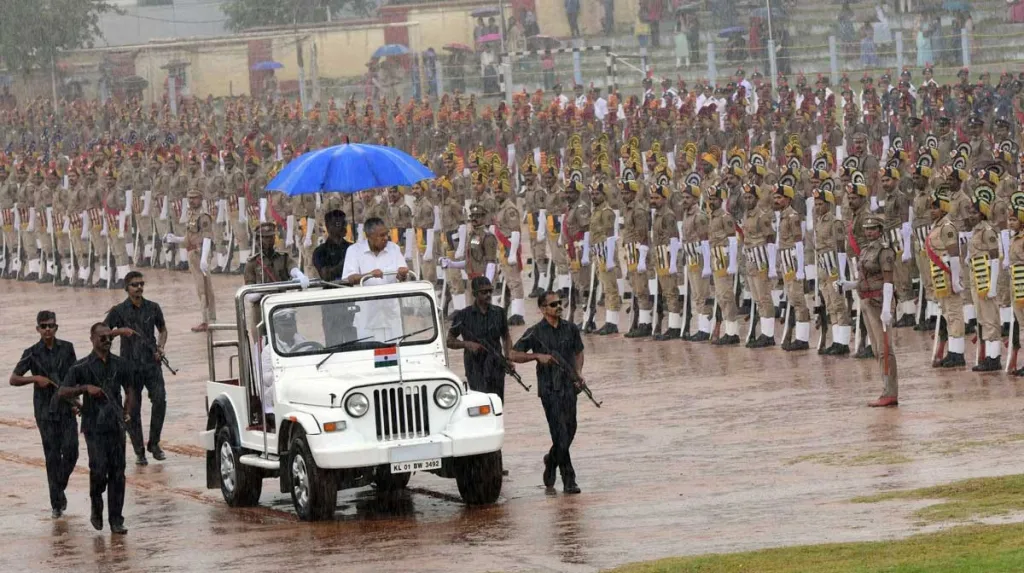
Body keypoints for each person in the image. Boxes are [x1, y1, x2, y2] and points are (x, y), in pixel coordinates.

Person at [58, 323, 135, 535]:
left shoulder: (121, 364)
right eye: (102, 338)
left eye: (110, 337)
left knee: (118, 473)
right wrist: (84, 389)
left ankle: (116, 520)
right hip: (93, 428)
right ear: (92, 339)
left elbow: (130, 388)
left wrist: (127, 410)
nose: (107, 341)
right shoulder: (81, 367)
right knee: (99, 470)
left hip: (116, 425)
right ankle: (96, 503)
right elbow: (62, 392)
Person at [510, 291, 585, 495]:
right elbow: (513, 354)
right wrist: (537, 357)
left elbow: (579, 352)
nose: (559, 307)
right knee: (559, 434)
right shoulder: (534, 333)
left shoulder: (570, 328)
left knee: (570, 429)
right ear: (543, 309)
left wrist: (578, 372)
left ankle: (551, 460)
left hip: (569, 387)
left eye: (560, 303)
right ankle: (569, 479)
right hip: (549, 389)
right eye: (553, 305)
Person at [9, 311, 79, 518]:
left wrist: (76, 400)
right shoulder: (31, 353)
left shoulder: (67, 348)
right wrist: (35, 378)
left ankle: (59, 488)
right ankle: (56, 503)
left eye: (51, 326)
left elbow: (74, 375)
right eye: (43, 326)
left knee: (72, 451)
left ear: (57, 327)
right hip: (44, 410)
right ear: (37, 329)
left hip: (66, 406)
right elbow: (13, 378)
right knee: (52, 456)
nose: (47, 329)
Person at [104, 271, 168, 466]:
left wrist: (161, 347)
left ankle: (154, 443)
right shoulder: (118, 311)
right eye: (134, 284)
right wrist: (119, 331)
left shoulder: (153, 307)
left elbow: (163, 329)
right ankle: (139, 450)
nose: (139, 287)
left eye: (141, 284)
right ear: (126, 288)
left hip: (151, 364)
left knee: (159, 400)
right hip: (129, 367)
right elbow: (103, 332)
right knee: (133, 408)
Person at [841, 214, 899, 407]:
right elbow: (863, 278)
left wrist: (887, 308)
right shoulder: (865, 250)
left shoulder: (885, 252)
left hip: (879, 301)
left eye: (873, 228)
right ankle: (885, 388)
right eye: (867, 229)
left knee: (885, 349)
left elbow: (888, 280)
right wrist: (848, 285)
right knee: (876, 349)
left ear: (881, 231)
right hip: (865, 300)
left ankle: (890, 392)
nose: (869, 232)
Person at [448, 276, 514, 402]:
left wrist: (508, 358)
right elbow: (449, 341)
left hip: (496, 364)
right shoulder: (463, 315)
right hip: (475, 367)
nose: (488, 295)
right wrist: (467, 344)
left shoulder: (499, 313)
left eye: (490, 291)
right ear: (475, 294)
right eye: (484, 292)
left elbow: (506, 336)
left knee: (497, 403)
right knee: (480, 403)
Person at [342, 216, 410, 285]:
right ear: (368, 236)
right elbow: (350, 279)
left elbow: (403, 276)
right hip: (365, 294)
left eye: (387, 234)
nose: (386, 238)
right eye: (382, 235)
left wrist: (402, 275)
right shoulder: (354, 250)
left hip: (391, 293)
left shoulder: (394, 248)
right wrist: (369, 275)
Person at [244, 221, 308, 286]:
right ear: (258, 240)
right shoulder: (252, 263)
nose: (269, 240)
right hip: (262, 295)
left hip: (281, 294)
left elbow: (292, 267)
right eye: (265, 237)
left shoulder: (283, 258)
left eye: (271, 237)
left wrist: (299, 274)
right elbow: (249, 287)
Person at [313, 209, 353, 283]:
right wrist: (345, 262)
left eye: (345, 223)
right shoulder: (321, 251)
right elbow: (325, 276)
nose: (344, 227)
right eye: (339, 224)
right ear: (328, 227)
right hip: (331, 290)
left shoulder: (352, 248)